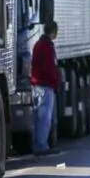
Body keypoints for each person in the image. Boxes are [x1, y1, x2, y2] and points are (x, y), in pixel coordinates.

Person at [31, 21, 60, 156]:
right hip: (45, 86)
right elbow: (50, 68)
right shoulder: (47, 46)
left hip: (36, 85)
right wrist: (55, 82)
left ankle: (39, 144)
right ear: (53, 31)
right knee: (45, 118)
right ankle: (42, 146)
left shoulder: (37, 45)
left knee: (38, 118)